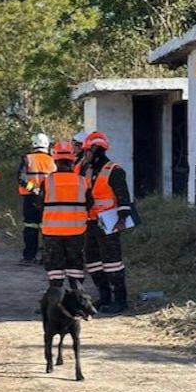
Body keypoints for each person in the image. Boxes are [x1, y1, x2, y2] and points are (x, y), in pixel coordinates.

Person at [82, 131, 132, 315]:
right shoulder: (87, 170)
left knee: (113, 263)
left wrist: (122, 219)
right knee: (93, 262)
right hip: (89, 222)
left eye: (87, 151)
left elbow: (124, 198)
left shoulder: (114, 170)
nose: (85, 154)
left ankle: (120, 300)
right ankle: (104, 297)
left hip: (109, 222)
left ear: (95, 149)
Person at [40, 140, 91, 290]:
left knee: (55, 268)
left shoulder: (47, 181)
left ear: (54, 160)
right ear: (72, 159)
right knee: (75, 265)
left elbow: (39, 203)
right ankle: (77, 299)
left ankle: (55, 298)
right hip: (77, 231)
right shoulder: (83, 181)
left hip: (52, 232)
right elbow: (90, 203)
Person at [17, 133, 56, 265]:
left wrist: (33, 189)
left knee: (30, 227)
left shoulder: (27, 158)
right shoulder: (53, 160)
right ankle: (48, 257)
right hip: (49, 199)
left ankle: (29, 257)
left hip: (30, 199)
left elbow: (21, 179)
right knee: (47, 229)